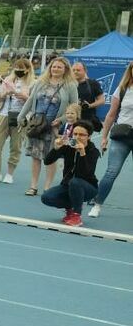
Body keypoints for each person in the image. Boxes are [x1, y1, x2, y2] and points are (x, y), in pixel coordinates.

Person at [18, 56, 78, 196]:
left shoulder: (70, 85)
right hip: (37, 124)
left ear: (65, 70)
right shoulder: (41, 82)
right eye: (54, 66)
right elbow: (31, 100)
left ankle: (47, 187)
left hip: (54, 125)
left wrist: (62, 119)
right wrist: (22, 116)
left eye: (59, 67)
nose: (56, 69)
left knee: (50, 156)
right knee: (35, 155)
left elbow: (75, 106)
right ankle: (33, 186)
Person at [91, 61, 133, 219]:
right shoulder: (122, 90)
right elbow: (110, 114)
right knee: (111, 172)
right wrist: (104, 137)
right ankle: (97, 204)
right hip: (122, 135)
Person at [0, 58, 33, 184]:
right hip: (4, 114)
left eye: (22, 69)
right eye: (17, 68)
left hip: (21, 116)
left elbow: (34, 102)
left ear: (27, 70)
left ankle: (10, 174)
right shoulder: (8, 80)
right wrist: (5, 94)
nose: (19, 71)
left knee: (16, 146)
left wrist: (22, 95)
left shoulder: (33, 83)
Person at [41, 122, 100, 226]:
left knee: (75, 182)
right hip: (68, 185)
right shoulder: (68, 147)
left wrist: (82, 153)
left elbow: (86, 173)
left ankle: (77, 215)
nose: (77, 137)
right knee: (46, 197)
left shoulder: (93, 151)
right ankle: (70, 209)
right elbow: (47, 161)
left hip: (88, 188)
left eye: (82, 135)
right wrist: (56, 148)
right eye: (75, 134)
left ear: (89, 137)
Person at [73, 61, 106, 130]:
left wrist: (89, 105)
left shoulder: (93, 84)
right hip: (70, 118)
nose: (75, 72)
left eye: (78, 70)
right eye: (73, 70)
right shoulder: (68, 84)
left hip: (87, 119)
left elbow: (102, 100)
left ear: (85, 71)